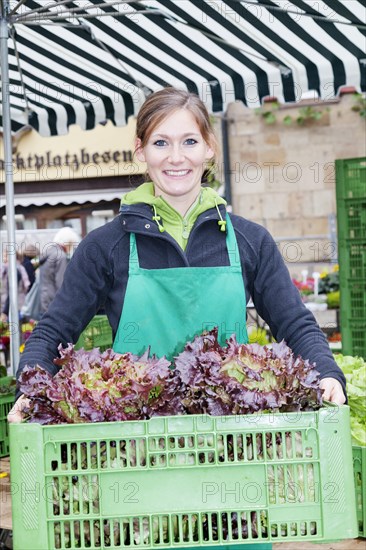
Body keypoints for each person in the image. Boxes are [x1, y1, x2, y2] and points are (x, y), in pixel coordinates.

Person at [8, 86, 346, 550]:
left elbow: (294, 322)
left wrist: (327, 372)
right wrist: (32, 385)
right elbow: (54, 329)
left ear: (209, 147)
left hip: (232, 456)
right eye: (161, 142)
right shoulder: (105, 245)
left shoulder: (249, 239)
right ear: (141, 151)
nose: (176, 157)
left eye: (189, 141)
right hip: (135, 457)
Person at [38, 226, 80, 315]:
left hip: (44, 298)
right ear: (67, 242)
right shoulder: (60, 256)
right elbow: (61, 283)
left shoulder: (49, 252)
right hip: (55, 302)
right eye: (71, 244)